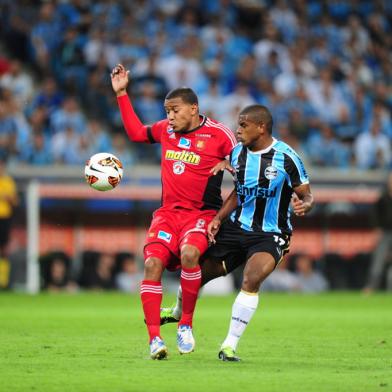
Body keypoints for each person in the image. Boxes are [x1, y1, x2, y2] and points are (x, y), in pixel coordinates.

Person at [161, 104, 314, 361]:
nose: (238, 129)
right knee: (197, 273)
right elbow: (239, 193)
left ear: (261, 127)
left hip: (271, 233)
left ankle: (229, 345)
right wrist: (218, 218)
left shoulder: (287, 157)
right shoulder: (236, 154)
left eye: (244, 125)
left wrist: (305, 205)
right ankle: (177, 311)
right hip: (237, 227)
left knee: (250, 279)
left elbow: (306, 194)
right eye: (238, 124)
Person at [110, 64, 237, 359]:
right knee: (152, 263)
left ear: (193, 108)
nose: (169, 116)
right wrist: (121, 94)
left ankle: (185, 324)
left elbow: (243, 162)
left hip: (202, 215)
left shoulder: (220, 134)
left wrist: (232, 165)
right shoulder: (166, 130)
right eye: (167, 111)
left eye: (175, 110)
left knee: (191, 255)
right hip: (168, 214)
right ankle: (154, 339)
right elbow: (136, 133)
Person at [363, 172, 392, 293]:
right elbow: (374, 214)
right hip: (385, 232)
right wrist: (377, 228)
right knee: (378, 261)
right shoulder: (383, 197)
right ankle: (371, 286)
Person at [0, 155, 18, 289]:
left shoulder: (8, 182)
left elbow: (14, 201)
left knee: (4, 250)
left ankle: (3, 281)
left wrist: (7, 197)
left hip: (5, 219)